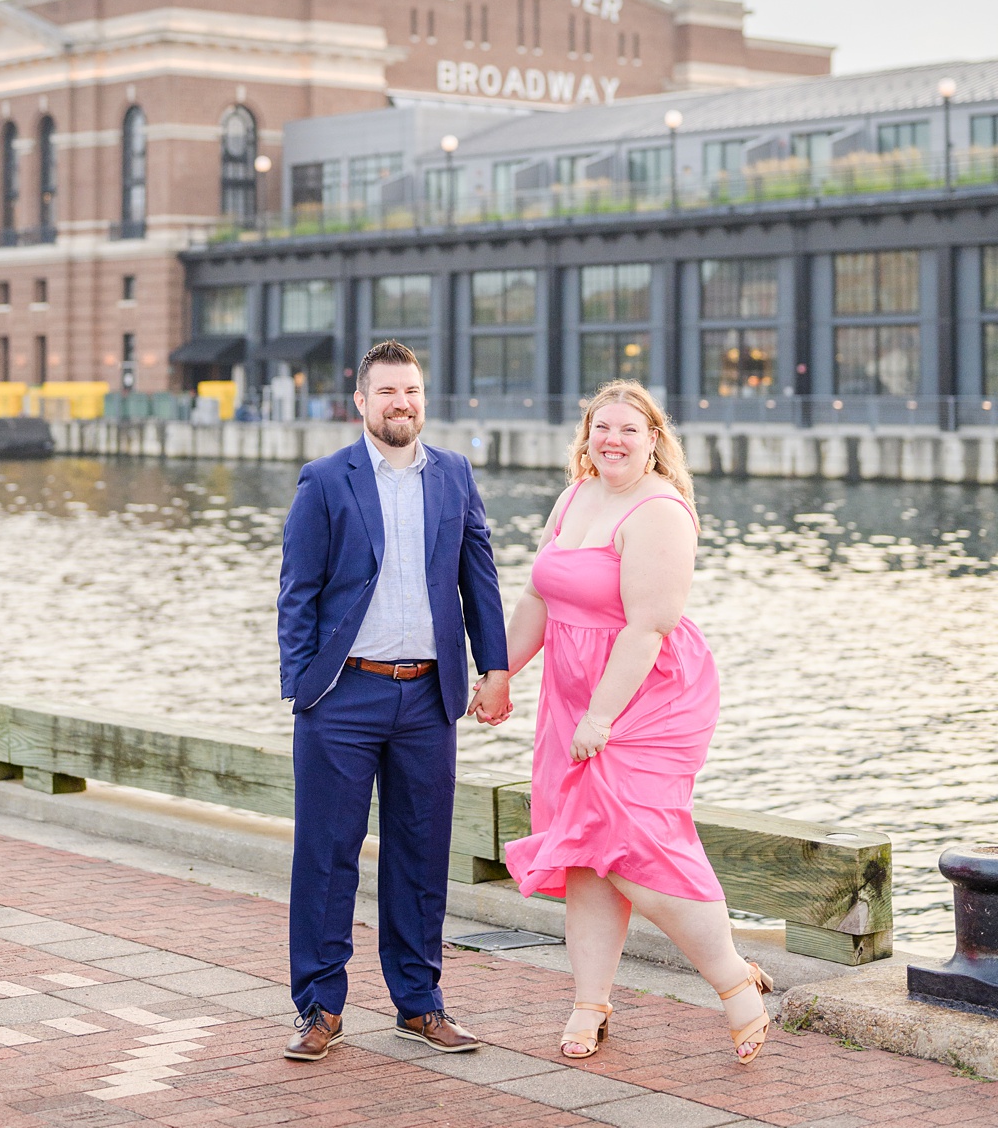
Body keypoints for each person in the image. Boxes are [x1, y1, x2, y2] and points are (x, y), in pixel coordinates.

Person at [475, 381, 775, 1067]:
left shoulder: (660, 513)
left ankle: (732, 979)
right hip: (571, 696)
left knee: (638, 845)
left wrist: (602, 717)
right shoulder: (574, 496)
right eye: (601, 427)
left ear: (653, 440)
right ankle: (590, 1002)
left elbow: (648, 629)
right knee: (584, 850)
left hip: (644, 696)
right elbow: (538, 598)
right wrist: (501, 672)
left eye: (628, 430)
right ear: (585, 436)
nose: (612, 439)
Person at [274, 339, 510, 1063]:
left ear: (422, 398)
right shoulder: (325, 480)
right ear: (361, 401)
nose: (401, 403)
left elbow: (480, 579)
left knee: (420, 854)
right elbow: (297, 593)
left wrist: (493, 667)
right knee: (326, 856)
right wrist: (303, 688)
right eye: (387, 392)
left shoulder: (454, 476)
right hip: (342, 697)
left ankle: (420, 1003)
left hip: (427, 701)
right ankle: (319, 1007)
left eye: (411, 391)